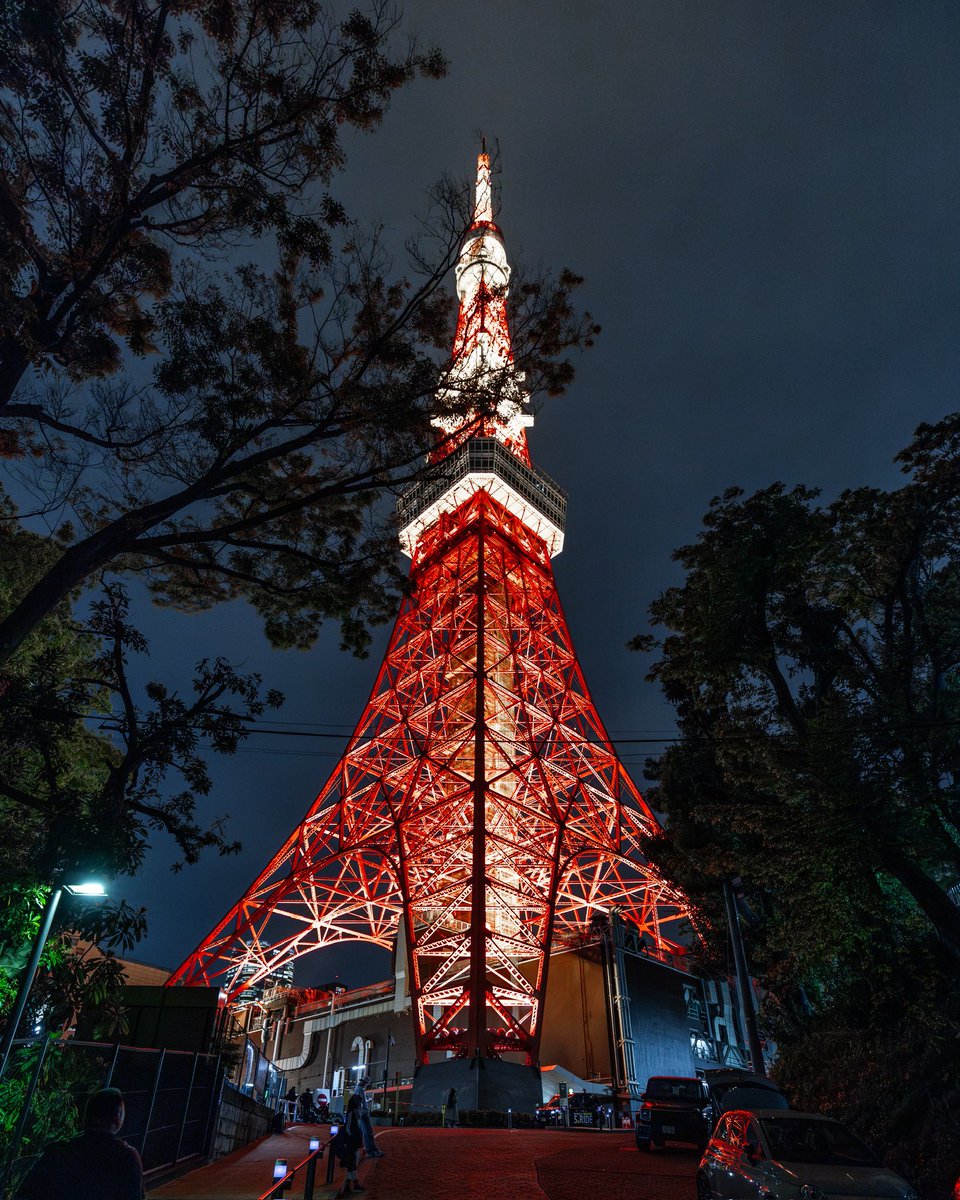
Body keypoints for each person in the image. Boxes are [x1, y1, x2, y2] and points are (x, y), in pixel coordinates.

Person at [16, 1087, 144, 1200]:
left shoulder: (59, 1151)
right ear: (118, 1118)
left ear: (87, 1115)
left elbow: (27, 1191)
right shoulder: (127, 1156)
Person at [335, 1093, 366, 1197]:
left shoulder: (353, 1113)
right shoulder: (352, 1113)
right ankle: (355, 1185)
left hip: (353, 1141)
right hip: (352, 1141)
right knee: (352, 1164)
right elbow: (348, 1127)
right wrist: (352, 1137)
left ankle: (349, 1185)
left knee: (351, 1164)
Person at [353, 1077, 382, 1157]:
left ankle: (372, 1149)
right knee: (368, 1132)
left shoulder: (357, 1088)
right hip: (363, 1113)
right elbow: (359, 1101)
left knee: (366, 1132)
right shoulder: (360, 1089)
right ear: (364, 1082)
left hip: (361, 1112)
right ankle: (371, 1151)